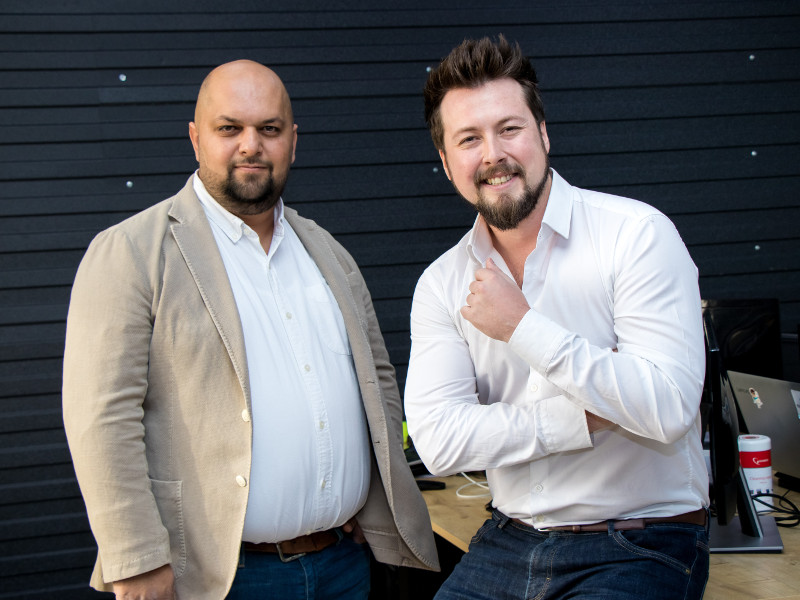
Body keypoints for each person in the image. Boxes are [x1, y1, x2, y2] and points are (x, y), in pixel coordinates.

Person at [62, 59, 438, 600]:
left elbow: (375, 387)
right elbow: (101, 417)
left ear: (293, 141)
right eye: (229, 128)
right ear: (195, 138)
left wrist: (366, 498)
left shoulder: (327, 253)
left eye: (269, 129)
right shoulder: (130, 253)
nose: (251, 145)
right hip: (223, 579)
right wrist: (136, 558)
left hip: (344, 564)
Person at [405, 36, 709, 599]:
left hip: (640, 543)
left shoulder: (635, 236)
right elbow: (440, 442)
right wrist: (582, 418)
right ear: (447, 164)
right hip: (509, 538)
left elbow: (666, 407)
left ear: (543, 134)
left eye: (509, 128)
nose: (493, 153)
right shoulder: (442, 284)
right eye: (469, 139)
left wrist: (522, 326)